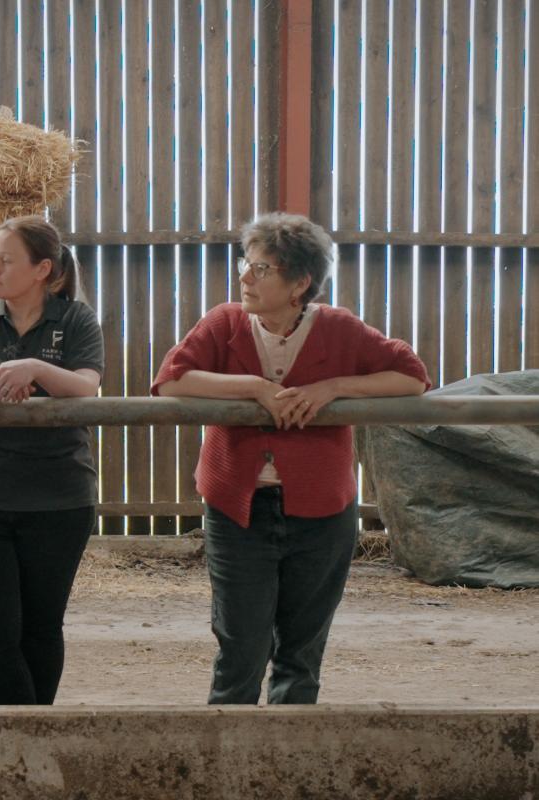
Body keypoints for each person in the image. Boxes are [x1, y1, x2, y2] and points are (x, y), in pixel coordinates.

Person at [152, 211, 429, 705]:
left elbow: (411, 377)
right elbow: (172, 379)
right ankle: (227, 765)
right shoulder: (225, 323)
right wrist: (257, 388)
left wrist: (334, 387)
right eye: (246, 263)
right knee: (240, 646)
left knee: (301, 651)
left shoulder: (339, 329)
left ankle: (286, 766)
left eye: (261, 270)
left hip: (321, 512)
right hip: (238, 507)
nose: (244, 277)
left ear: (300, 282)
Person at [0, 216, 103, 705]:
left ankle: (30, 733)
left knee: (41, 627)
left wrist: (33, 367)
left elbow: (87, 384)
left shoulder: (75, 320)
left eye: (5, 260)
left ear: (42, 269)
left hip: (59, 496)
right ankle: (30, 731)